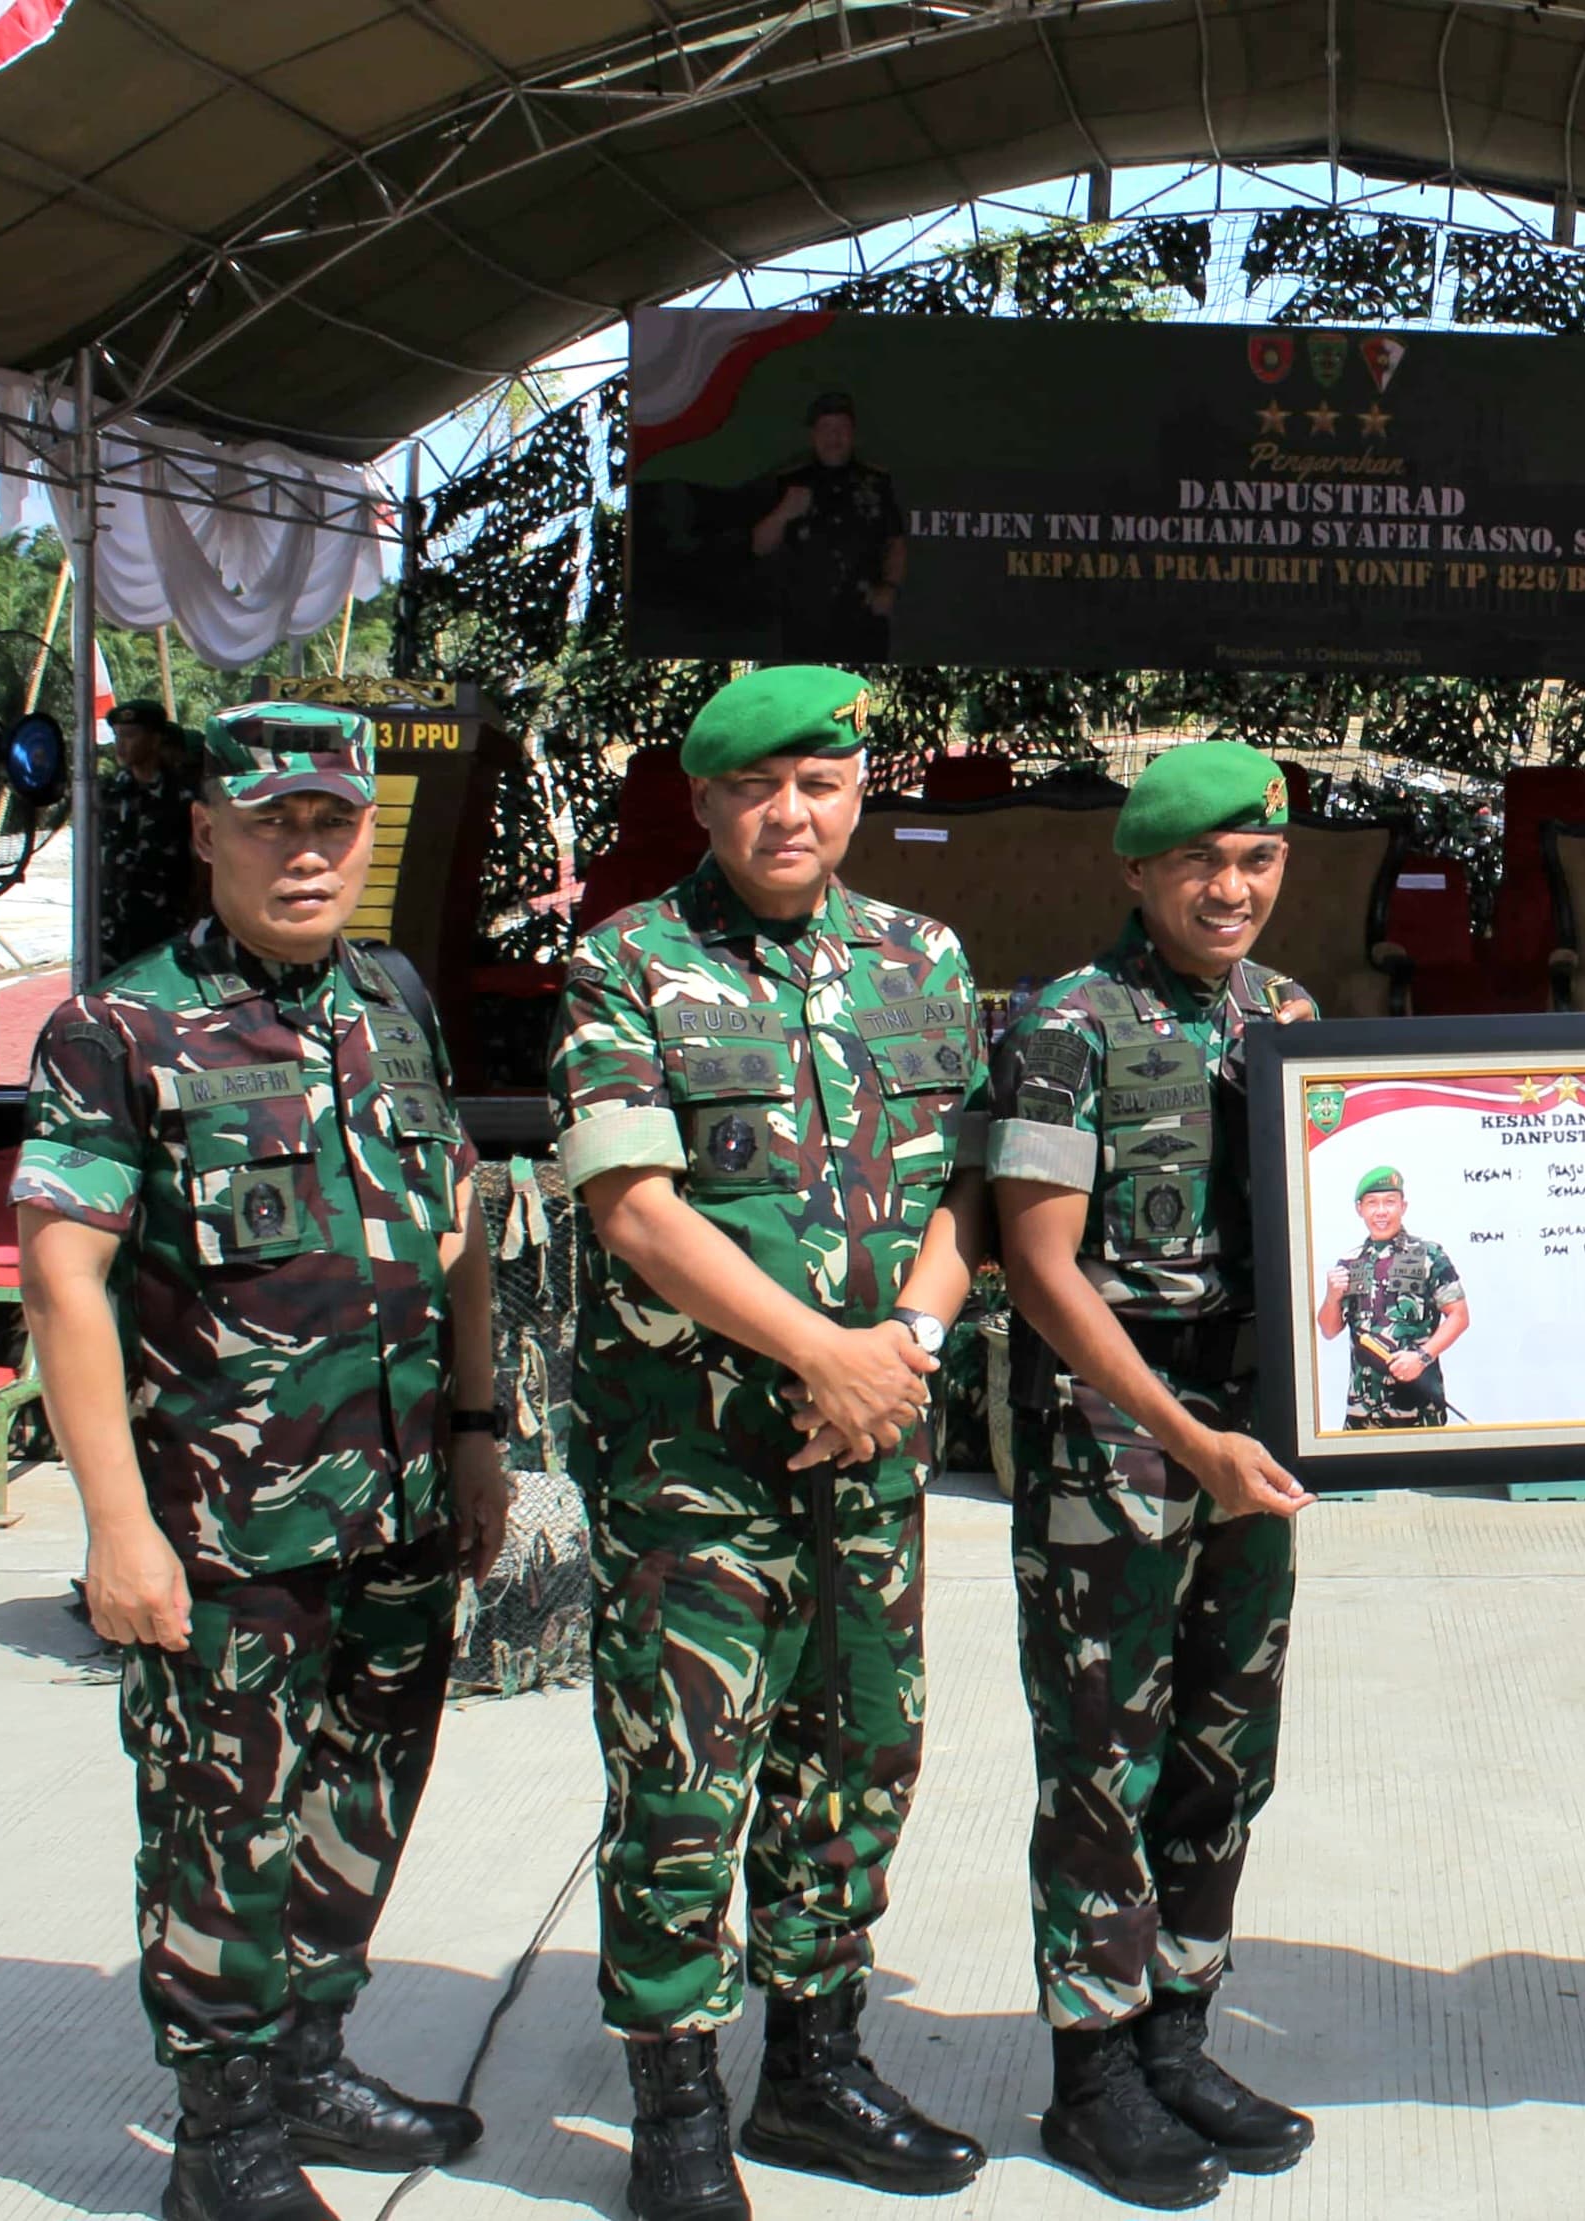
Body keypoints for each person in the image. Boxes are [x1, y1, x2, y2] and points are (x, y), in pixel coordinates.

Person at [14, 703, 508, 2221]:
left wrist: (480, 1431)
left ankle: (310, 2058)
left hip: (403, 1499)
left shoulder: (394, 998)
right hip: (225, 1527)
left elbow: (462, 1217)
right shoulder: (121, 1027)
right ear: (209, 831)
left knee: (366, 1789)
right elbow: (61, 1278)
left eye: (332, 824)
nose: (306, 851)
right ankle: (221, 2135)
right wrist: (117, 1527)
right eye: (272, 822)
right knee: (221, 1815)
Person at [551, 665, 991, 2221]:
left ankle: (812, 2067)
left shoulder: (921, 959)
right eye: (754, 786)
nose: (788, 812)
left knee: (857, 1755)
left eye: (817, 780)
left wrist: (906, 1352)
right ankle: (675, 2108)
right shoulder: (628, 967)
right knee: (683, 1777)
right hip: (695, 1462)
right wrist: (825, 1356)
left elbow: (968, 1193)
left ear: (861, 787)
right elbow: (634, 1208)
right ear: (704, 801)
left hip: (865, 1452)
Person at [990, 740, 1325, 2210]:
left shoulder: (1294, 1016)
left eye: (1256, 861)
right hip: (1114, 1433)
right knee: (1102, 1756)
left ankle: (1179, 2030)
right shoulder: (1072, 1023)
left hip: (1253, 1426)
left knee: (1222, 1745)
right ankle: (1092, 2071)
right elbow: (1039, 1265)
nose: (1231, 887)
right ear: (1139, 870)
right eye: (1201, 861)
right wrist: (1184, 1433)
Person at [751, 391, 904, 665]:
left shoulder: (876, 482)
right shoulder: (790, 480)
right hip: (804, 622)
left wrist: (890, 588)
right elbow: (760, 546)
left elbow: (896, 543)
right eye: (826, 428)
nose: (834, 437)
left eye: (841, 428)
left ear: (852, 433)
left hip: (863, 618)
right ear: (814, 434)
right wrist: (783, 513)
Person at [1314, 1164, 1467, 1428]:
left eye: (1390, 1202)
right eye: (1372, 1203)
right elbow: (1329, 1329)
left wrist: (1422, 1358)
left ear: (1403, 1207)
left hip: (1419, 1406)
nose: (1381, 1211)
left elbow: (1460, 1316)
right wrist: (1331, 1297)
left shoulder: (1428, 1255)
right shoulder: (1350, 1262)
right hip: (1363, 1412)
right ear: (1359, 1209)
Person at [97, 699, 206, 973]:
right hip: (111, 932)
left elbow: (201, 866)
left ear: (156, 739)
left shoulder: (184, 797)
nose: (121, 745)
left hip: (164, 930)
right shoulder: (107, 793)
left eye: (131, 735)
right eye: (118, 736)